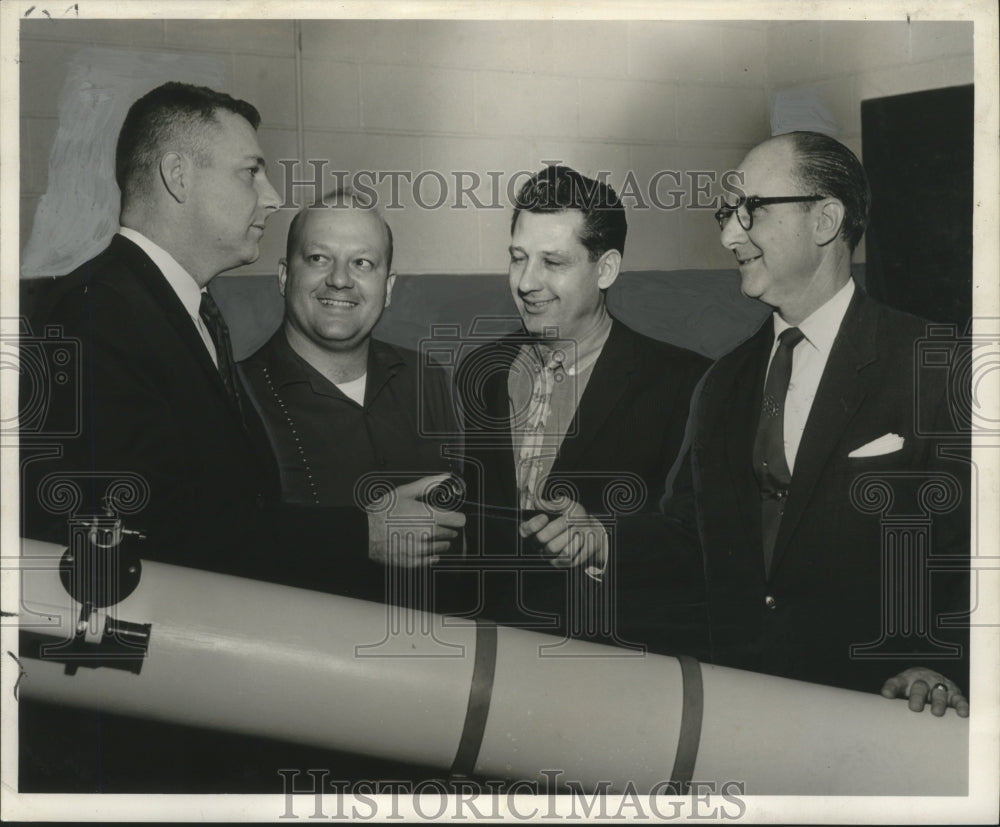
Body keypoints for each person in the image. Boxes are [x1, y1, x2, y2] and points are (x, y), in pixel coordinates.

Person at [19, 81, 462, 791]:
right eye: (250, 170)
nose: (272, 193)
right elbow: (146, 527)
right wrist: (364, 534)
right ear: (177, 175)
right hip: (141, 732)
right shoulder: (100, 312)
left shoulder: (173, 309)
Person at [537, 133, 970, 713]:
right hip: (743, 712)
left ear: (825, 219)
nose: (729, 235)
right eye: (726, 213)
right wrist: (600, 540)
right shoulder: (723, 384)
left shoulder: (935, 365)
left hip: (885, 711)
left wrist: (941, 660)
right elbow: (693, 535)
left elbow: (974, 550)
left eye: (751, 211)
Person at [450, 165, 709, 652]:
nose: (527, 283)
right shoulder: (480, 370)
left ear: (606, 269)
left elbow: (704, 542)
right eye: (518, 258)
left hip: (609, 664)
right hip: (489, 653)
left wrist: (603, 539)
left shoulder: (686, 383)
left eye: (553, 262)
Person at [239, 191, 460, 601]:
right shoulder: (235, 396)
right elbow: (226, 548)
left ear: (388, 286)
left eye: (362, 263)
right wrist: (361, 534)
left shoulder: (427, 377)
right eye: (319, 258)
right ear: (285, 276)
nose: (340, 279)